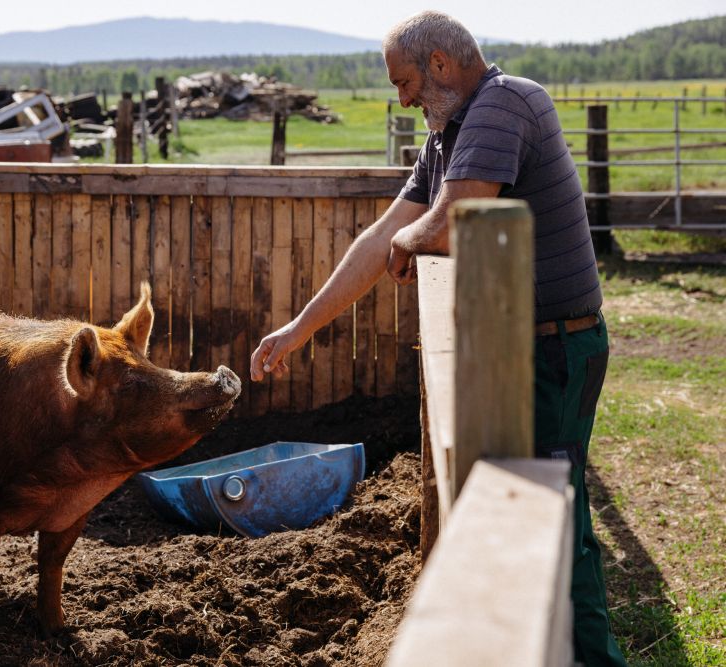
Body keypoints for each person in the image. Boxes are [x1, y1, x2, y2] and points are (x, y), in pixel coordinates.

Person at [249, 10, 626, 667]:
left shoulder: (504, 103)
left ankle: (593, 658)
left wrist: (413, 239)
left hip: (555, 346)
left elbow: (451, 221)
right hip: (526, 345)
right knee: (546, 503)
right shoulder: (447, 135)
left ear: (442, 66)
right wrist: (299, 326)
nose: (401, 97)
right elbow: (382, 237)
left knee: (558, 512)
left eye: (404, 82)